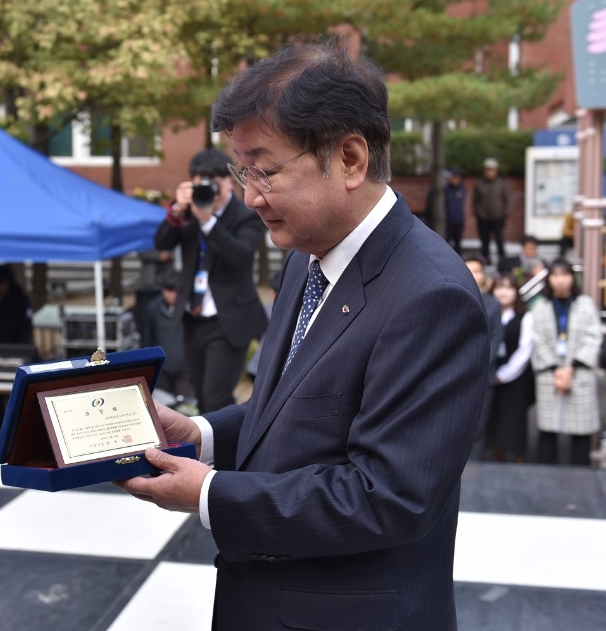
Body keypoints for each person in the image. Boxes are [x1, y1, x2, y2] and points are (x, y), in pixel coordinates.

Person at [116, 37, 489, 630]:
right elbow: (297, 403)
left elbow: (386, 497)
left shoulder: (431, 296)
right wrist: (206, 433)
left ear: (350, 159)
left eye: (264, 170)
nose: (248, 195)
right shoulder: (308, 255)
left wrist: (209, 493)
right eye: (241, 170)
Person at [154, 148, 268, 413]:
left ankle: (228, 450)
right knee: (201, 396)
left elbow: (240, 255)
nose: (210, 192)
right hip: (193, 317)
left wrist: (208, 223)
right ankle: (214, 449)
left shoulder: (245, 214)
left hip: (228, 320)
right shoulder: (190, 210)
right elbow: (162, 242)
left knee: (215, 397)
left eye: (216, 184)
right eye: (202, 184)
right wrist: (177, 209)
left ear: (229, 182)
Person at [530, 259, 602, 466]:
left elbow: (593, 336)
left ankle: (580, 477)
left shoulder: (585, 304)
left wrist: (570, 369)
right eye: (555, 275)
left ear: (573, 277)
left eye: (565, 274)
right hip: (549, 373)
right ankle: (546, 474)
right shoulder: (540, 307)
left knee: (580, 430)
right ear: (548, 279)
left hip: (579, 372)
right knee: (547, 429)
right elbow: (537, 340)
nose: (560, 280)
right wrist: (556, 370)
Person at [486, 274, 536, 462]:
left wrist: (504, 375)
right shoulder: (488, 312)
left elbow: (525, 350)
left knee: (514, 419)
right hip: (491, 372)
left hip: (516, 376)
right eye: (499, 287)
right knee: (494, 417)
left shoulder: (526, 316)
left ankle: (519, 459)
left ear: (517, 292)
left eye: (508, 288)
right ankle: (495, 456)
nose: (503, 292)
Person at [464, 255, 505, 444]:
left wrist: (477, 363)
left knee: (479, 429)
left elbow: (496, 337)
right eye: (469, 269)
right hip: (453, 373)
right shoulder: (451, 295)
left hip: (483, 374)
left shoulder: (493, 304)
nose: (474, 274)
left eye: (478, 270)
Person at [141, 270, 195, 407]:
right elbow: (146, 339)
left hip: (186, 371)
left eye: (173, 290)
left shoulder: (192, 309)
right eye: (166, 289)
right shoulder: (153, 309)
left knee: (187, 409)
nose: (168, 295)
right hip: (161, 371)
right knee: (161, 408)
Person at [0, 264, 34, 344]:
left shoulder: (19, 298)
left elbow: (26, 326)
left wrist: (20, 347)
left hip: (15, 348)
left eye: (1, 284)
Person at [473, 156, 510, 264]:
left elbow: (506, 199)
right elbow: (475, 200)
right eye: (487, 170)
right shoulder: (479, 183)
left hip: (498, 217)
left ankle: (502, 260)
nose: (490, 172)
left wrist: (504, 213)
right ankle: (485, 260)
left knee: (499, 239)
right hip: (483, 218)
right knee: (484, 241)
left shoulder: (501, 183)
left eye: (492, 170)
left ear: (496, 171)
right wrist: (478, 212)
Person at [444, 167, 466, 253]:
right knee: (447, 242)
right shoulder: (445, 189)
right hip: (448, 220)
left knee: (458, 243)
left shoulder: (462, 189)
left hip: (459, 220)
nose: (455, 180)